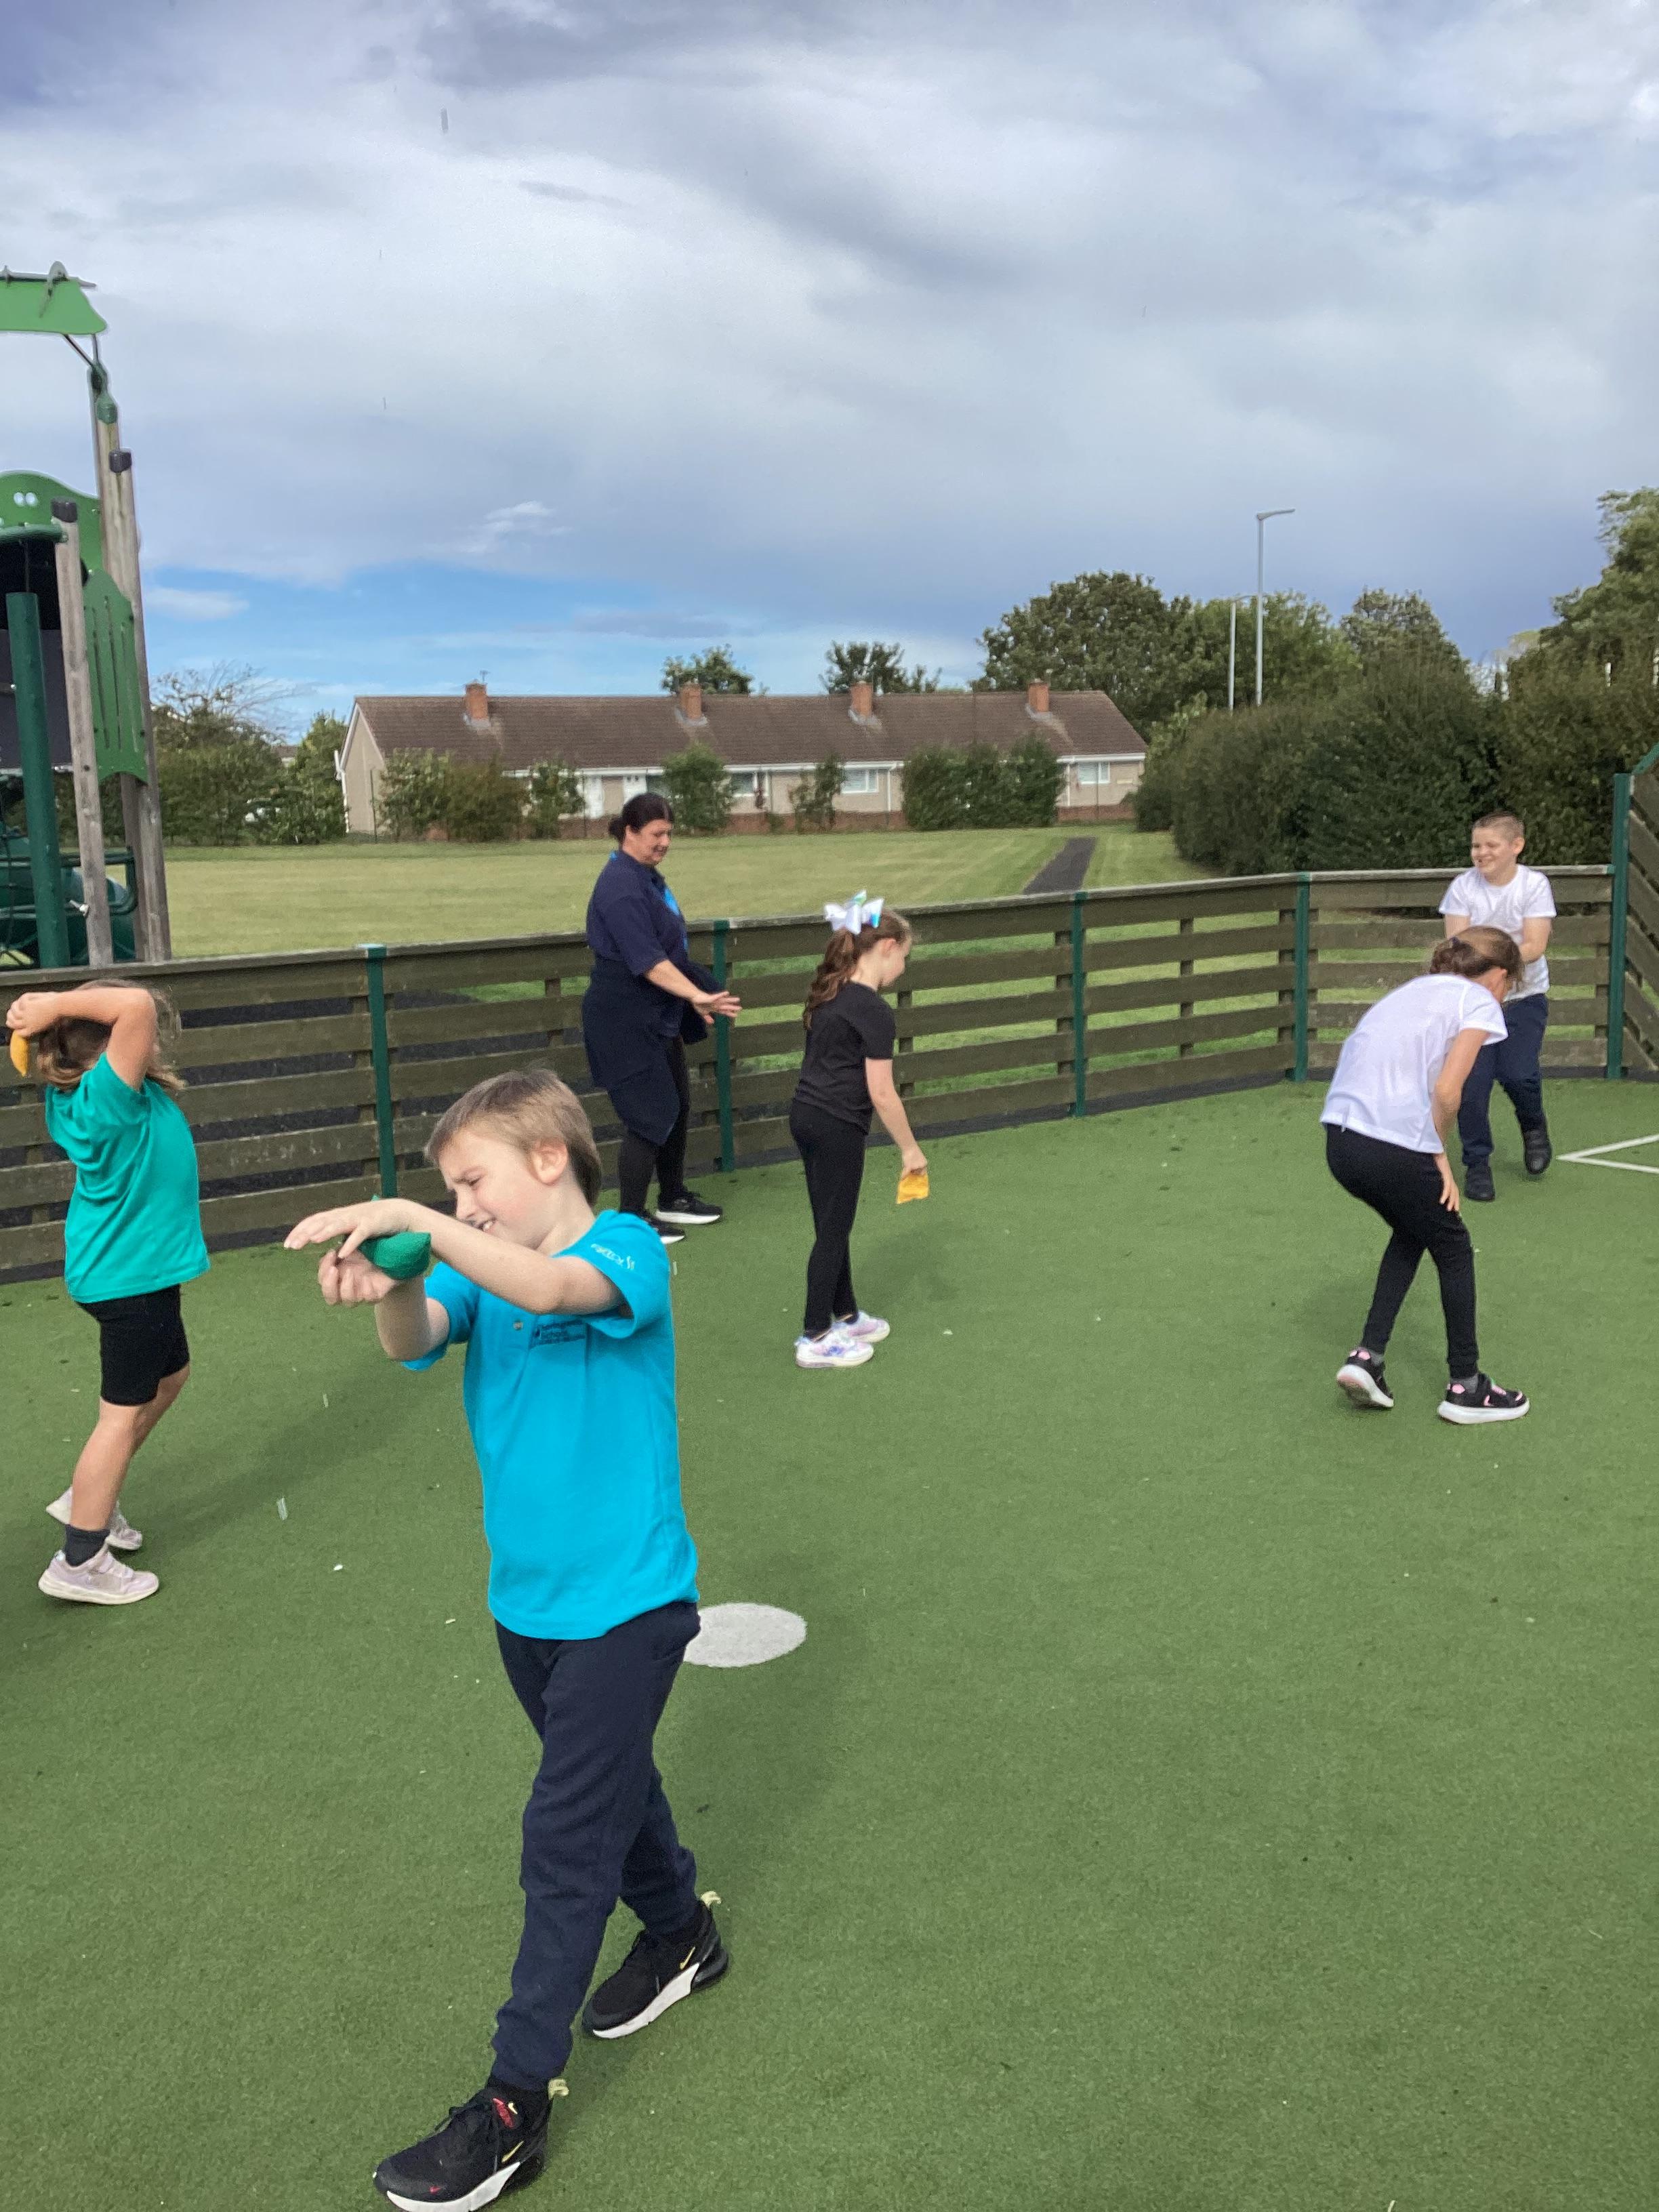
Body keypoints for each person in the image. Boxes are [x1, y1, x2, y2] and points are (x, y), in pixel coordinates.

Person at [285, 1068, 725, 2211]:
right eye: (449, 1191)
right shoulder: (476, 1267)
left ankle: (511, 2103)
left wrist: (420, 1223)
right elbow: (415, 1336)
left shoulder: (625, 1248)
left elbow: (553, 1285)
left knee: (564, 1832)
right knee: (611, 1783)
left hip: (629, 1607)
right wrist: (392, 1280)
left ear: (548, 1158)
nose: (463, 1206)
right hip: (525, 1608)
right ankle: (682, 1932)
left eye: (472, 1181)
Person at [6, 982, 207, 1605]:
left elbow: (129, 1014)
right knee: (118, 1420)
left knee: (171, 1377)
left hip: (129, 1272)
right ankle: (81, 1559)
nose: (151, 1042)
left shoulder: (82, 1094)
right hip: (130, 1282)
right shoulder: (108, 1098)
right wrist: (55, 1005)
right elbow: (137, 1005)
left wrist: (55, 1013)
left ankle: (89, 1498)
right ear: (107, 1053)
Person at [1321, 928, 1530, 1425]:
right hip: (1390, 1143)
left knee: (1415, 1227)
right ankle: (1467, 1387)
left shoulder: (1411, 992)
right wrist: (1438, 1154)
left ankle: (1367, 1359)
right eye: (1509, 986)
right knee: (1453, 1246)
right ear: (1499, 976)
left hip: (1340, 1140)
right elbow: (1448, 1091)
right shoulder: (1479, 1001)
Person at [581, 793, 741, 1244]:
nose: (666, 842)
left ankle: (673, 1197)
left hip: (657, 1013)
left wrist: (695, 993)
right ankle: (632, 1219)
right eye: (657, 834)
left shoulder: (645, 877)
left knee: (678, 1104)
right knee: (650, 1114)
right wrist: (696, 995)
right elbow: (649, 961)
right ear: (630, 832)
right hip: (622, 1018)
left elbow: (669, 951)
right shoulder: (620, 886)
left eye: (669, 833)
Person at [787, 894, 926, 1372]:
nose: (903, 969)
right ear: (887, 947)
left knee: (831, 1221)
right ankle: (815, 1335)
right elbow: (882, 1093)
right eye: (904, 956)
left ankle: (845, 1314)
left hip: (806, 1116)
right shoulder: (873, 1010)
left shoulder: (832, 991)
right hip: (837, 1126)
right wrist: (911, 1151)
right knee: (833, 1229)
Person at [1437, 811, 1555, 1202]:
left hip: (1523, 997)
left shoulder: (1534, 885)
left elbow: (1535, 945)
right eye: (1476, 845)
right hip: (1472, 1004)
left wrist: (1491, 968)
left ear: (1516, 846)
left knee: (1518, 1074)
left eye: (1491, 845)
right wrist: (1483, 977)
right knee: (1473, 1085)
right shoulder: (1462, 887)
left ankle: (1533, 1128)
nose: (1481, 853)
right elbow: (1457, 948)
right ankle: (1477, 1165)